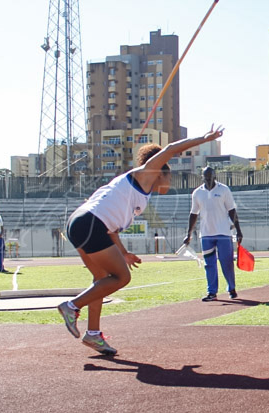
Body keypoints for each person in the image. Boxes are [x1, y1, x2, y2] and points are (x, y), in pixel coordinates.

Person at [58, 126, 225, 355]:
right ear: (161, 172)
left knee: (100, 280)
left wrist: (123, 253)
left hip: (80, 223)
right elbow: (170, 149)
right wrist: (204, 139)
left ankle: (93, 334)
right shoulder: (146, 173)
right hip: (90, 223)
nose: (170, 182)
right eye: (170, 176)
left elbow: (112, 231)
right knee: (121, 277)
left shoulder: (136, 191)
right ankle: (71, 306)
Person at [183, 166, 243, 302]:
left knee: (226, 262)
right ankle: (212, 292)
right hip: (206, 234)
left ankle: (231, 288)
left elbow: (232, 211)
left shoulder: (224, 189)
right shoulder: (197, 193)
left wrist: (239, 230)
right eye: (206, 177)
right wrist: (189, 234)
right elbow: (193, 214)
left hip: (223, 233)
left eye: (211, 177)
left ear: (215, 176)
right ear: (202, 177)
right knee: (209, 263)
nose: (209, 179)